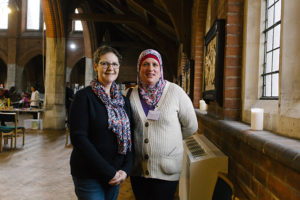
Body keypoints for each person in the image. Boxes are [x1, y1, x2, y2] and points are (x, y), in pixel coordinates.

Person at [128, 49, 198, 200]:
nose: (150, 69)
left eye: (155, 64)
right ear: (139, 68)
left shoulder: (176, 92)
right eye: (145, 64)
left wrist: (171, 141)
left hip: (166, 170)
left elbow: (191, 126)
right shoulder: (129, 94)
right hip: (138, 169)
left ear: (161, 69)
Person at [69, 45, 134, 200]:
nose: (110, 68)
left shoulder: (123, 101)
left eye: (115, 64)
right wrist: (108, 171)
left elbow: (130, 137)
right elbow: (79, 138)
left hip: (116, 174)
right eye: (105, 63)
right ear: (96, 66)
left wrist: (126, 169)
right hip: (89, 174)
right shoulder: (83, 97)